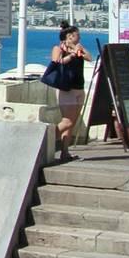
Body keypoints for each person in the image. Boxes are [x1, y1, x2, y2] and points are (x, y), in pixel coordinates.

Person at [49, 21, 89, 161]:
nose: (80, 37)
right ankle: (44, 139)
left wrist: (78, 50)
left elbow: (89, 58)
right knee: (67, 121)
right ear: (70, 36)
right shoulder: (58, 48)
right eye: (78, 35)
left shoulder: (79, 48)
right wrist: (71, 55)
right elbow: (57, 62)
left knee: (73, 121)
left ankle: (65, 152)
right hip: (67, 89)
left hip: (79, 87)